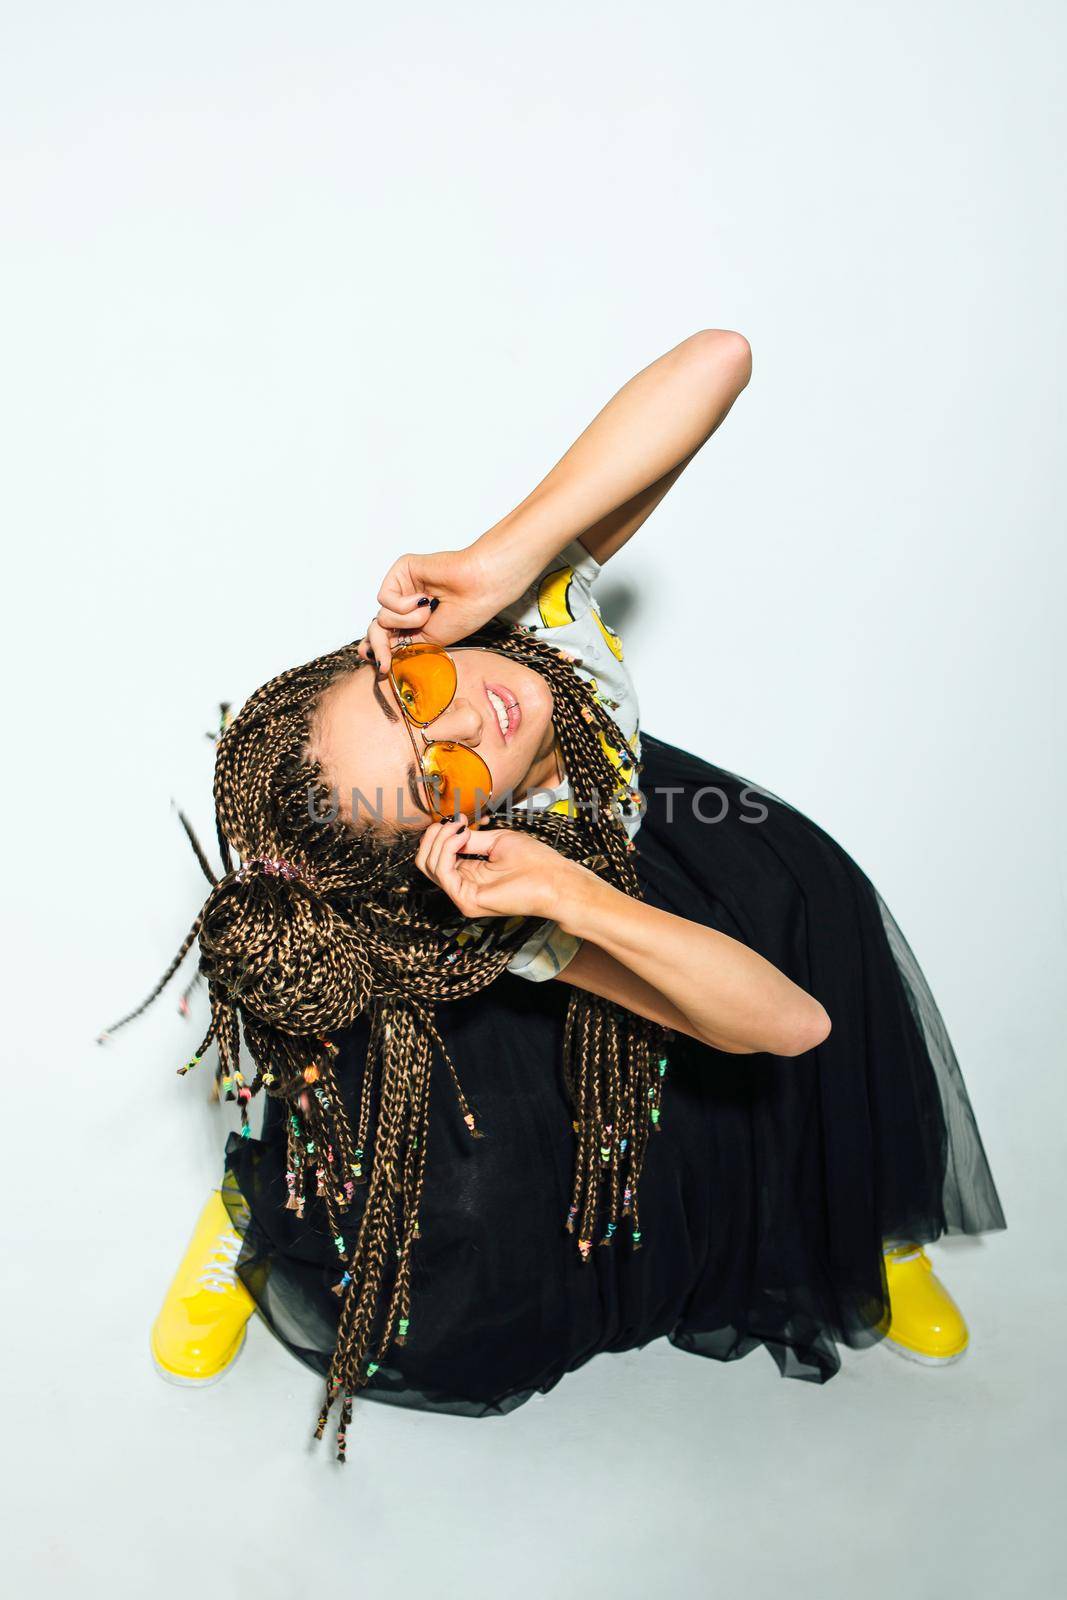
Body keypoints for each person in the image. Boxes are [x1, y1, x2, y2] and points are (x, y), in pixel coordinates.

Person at [103, 330, 1005, 1458]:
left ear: (396, 646)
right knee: (465, 1205)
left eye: (410, 694)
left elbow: (718, 361)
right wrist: (575, 902)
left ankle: (860, 1216)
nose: (468, 718)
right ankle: (247, 1219)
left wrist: (502, 552)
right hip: (579, 896)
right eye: (436, 776)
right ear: (456, 834)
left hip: (672, 841)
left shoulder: (532, 620)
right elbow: (783, 1028)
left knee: (811, 907)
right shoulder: (515, 897)